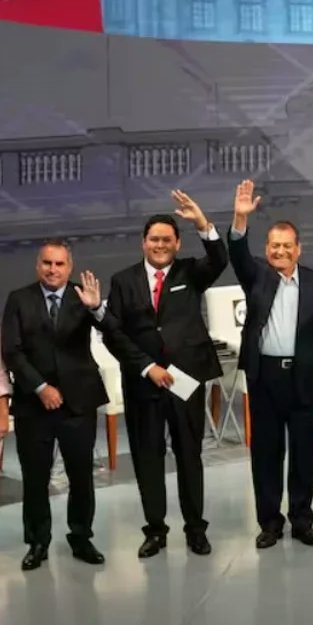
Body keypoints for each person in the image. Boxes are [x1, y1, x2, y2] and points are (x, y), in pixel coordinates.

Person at [103, 190, 227, 558]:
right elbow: (114, 333)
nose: (160, 245)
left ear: (177, 243)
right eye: (154, 239)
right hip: (144, 382)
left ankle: (195, 529)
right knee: (147, 456)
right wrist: (147, 367)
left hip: (185, 381)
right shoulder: (123, 281)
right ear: (143, 243)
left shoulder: (191, 272)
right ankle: (155, 530)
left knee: (189, 453)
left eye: (167, 240)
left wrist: (201, 222)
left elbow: (219, 259)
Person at [228, 179, 313, 549]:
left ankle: (302, 520)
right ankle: (270, 523)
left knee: (305, 454)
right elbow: (237, 253)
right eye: (274, 246)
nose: (280, 251)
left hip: (305, 378)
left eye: (287, 246)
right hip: (266, 378)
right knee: (266, 453)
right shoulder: (256, 275)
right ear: (267, 249)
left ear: (298, 249)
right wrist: (240, 219)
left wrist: (309, 356)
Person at [1, 243, 110, 570]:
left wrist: (97, 309)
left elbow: (112, 330)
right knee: (35, 478)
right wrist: (41, 387)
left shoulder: (83, 296)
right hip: (34, 406)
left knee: (81, 476)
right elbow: (12, 351)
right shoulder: (19, 299)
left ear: (69, 266)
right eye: (47, 263)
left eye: (59, 264)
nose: (53, 269)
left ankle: (81, 537)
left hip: (79, 403)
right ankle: (38, 542)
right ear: (38, 266)